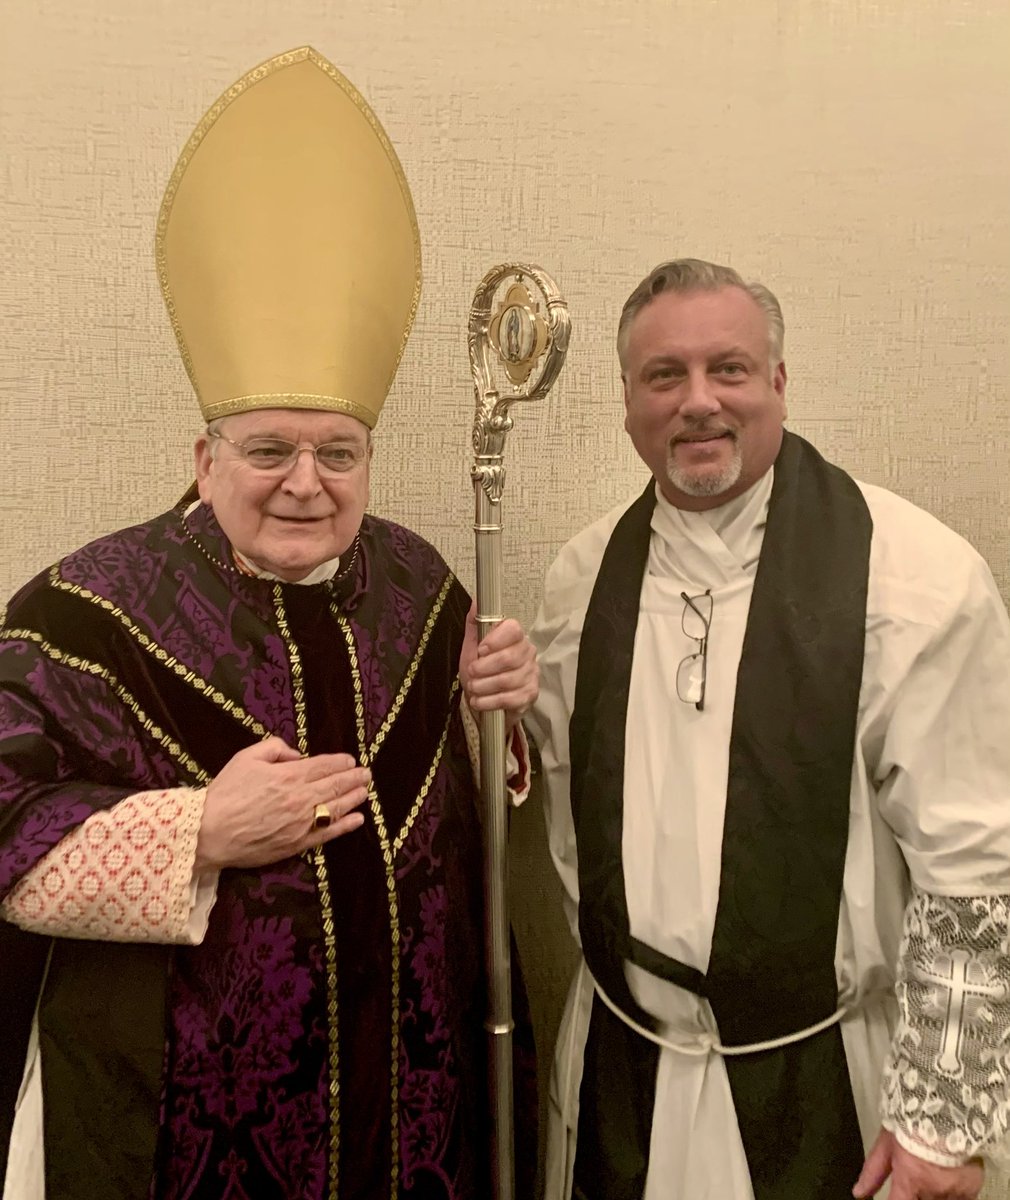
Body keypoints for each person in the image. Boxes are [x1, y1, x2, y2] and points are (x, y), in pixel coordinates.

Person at [0, 47, 538, 1200]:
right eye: (267, 450)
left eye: (336, 452)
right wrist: (198, 830)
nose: (306, 482)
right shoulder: (80, 612)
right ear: (203, 458)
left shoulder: (421, 585)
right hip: (178, 1130)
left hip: (415, 1117)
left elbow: (465, 808)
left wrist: (505, 719)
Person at [527, 257, 1010, 1200]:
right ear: (627, 400)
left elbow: (977, 868)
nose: (699, 401)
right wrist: (497, 715)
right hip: (627, 1060)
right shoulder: (583, 580)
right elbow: (554, 782)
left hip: (834, 1073)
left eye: (731, 369)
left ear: (779, 384)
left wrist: (943, 1123)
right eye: (665, 375)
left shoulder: (912, 581)